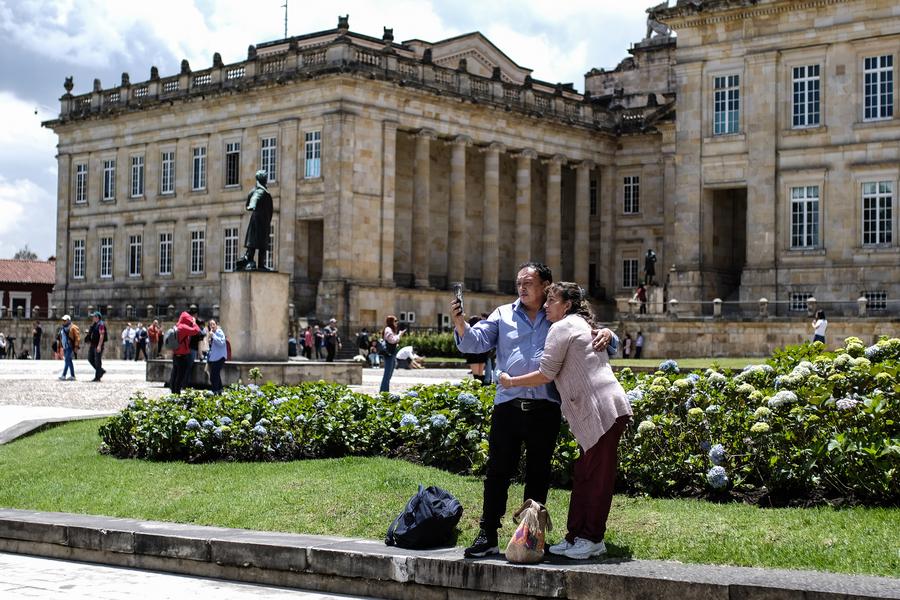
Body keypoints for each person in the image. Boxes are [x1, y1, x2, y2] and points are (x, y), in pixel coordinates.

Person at [452, 261, 617, 558]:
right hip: (508, 406)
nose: (522, 287)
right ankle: (488, 534)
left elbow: (593, 333)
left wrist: (608, 333)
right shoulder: (503, 314)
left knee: (538, 475)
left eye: (529, 282)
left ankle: (531, 537)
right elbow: (473, 344)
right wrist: (461, 323)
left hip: (545, 406)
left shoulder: (557, 315)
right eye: (519, 283)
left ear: (546, 286)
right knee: (497, 473)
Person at [499, 282, 633, 560]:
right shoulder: (577, 323)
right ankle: (576, 537)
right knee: (586, 473)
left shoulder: (563, 327)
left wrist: (511, 382)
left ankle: (592, 538)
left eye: (551, 300)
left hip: (602, 410)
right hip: (599, 409)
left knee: (596, 477)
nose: (546, 305)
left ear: (567, 305)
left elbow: (546, 373)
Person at [236, 170, 274, 271]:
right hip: (259, 221)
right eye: (265, 178)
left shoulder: (257, 191)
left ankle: (259, 264)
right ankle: (253, 262)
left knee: (258, 243)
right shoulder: (260, 191)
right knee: (255, 243)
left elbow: (250, 202)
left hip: (261, 221)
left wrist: (251, 205)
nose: (266, 179)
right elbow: (254, 199)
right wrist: (252, 205)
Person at [170, 311, 200, 395]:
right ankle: (177, 393)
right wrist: (194, 322)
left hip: (175, 355)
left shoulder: (176, 326)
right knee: (180, 377)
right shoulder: (183, 327)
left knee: (175, 375)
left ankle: (173, 393)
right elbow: (196, 330)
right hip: (182, 356)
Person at [379, 315, 405, 393]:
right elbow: (392, 340)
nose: (397, 322)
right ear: (391, 322)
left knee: (389, 374)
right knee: (387, 374)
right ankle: (384, 391)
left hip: (392, 353)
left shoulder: (390, 329)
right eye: (395, 321)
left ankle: (385, 391)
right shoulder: (388, 329)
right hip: (389, 354)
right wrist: (399, 335)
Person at [463, 315, 489, 382]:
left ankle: (477, 390)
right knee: (480, 375)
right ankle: (482, 389)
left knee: (476, 376)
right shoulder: (482, 330)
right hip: (482, 353)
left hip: (473, 354)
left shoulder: (469, 331)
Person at [206, 319, 227, 394]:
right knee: (216, 374)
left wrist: (213, 336)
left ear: (216, 325)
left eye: (213, 324)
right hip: (215, 358)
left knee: (213, 376)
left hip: (219, 357)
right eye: (210, 324)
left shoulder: (219, 331)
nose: (212, 326)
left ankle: (215, 391)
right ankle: (220, 390)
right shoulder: (213, 333)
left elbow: (222, 342)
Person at [87, 311, 107, 382]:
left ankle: (97, 377)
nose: (92, 318)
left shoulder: (101, 324)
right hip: (93, 345)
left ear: (97, 317)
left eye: (93, 316)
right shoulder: (95, 324)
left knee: (97, 361)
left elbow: (102, 335)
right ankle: (100, 371)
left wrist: (99, 346)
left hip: (97, 345)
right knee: (90, 358)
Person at [58, 315, 78, 381]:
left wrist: (76, 347)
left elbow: (77, 338)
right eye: (63, 320)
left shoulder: (73, 327)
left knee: (67, 360)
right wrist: (61, 346)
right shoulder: (63, 328)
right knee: (69, 361)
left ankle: (64, 375)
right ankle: (73, 376)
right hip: (65, 347)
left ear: (69, 320)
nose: (63, 321)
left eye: (65, 320)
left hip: (70, 346)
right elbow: (61, 338)